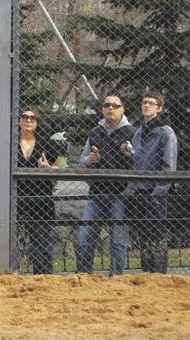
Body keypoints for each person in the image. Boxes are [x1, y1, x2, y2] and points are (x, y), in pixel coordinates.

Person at [76, 95, 137, 275]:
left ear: (122, 109)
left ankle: (116, 278)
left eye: (115, 105)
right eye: (107, 105)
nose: (111, 108)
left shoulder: (132, 132)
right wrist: (90, 159)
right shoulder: (95, 132)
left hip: (121, 193)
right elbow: (82, 160)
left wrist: (129, 154)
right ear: (102, 109)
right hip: (96, 192)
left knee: (118, 241)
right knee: (85, 237)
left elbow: (140, 160)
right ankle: (84, 277)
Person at [126, 92, 178, 273]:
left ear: (159, 108)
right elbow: (137, 162)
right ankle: (147, 274)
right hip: (139, 192)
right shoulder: (138, 132)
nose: (146, 105)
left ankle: (159, 275)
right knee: (144, 236)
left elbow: (169, 165)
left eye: (151, 103)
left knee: (156, 236)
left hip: (155, 192)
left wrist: (158, 192)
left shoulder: (165, 132)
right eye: (144, 102)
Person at [17, 107, 59, 274]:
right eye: (25, 117)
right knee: (13, 243)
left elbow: (62, 167)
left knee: (42, 245)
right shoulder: (9, 142)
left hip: (41, 200)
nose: (28, 120)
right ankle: (11, 276)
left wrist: (48, 168)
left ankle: (44, 277)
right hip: (15, 199)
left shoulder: (48, 143)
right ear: (19, 121)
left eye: (32, 118)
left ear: (37, 123)